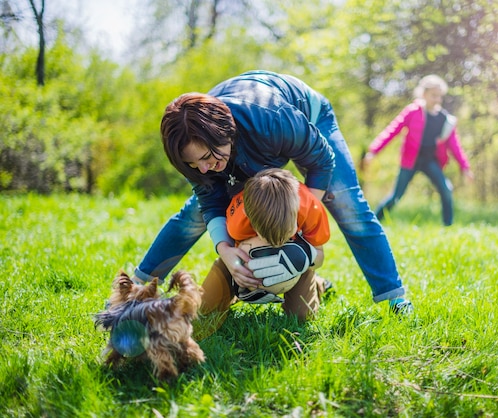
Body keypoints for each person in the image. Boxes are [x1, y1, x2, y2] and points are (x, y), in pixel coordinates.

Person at [134, 70, 413, 314]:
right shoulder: (192, 146)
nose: (205, 169)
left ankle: (394, 297)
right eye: (194, 164)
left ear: (224, 132)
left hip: (308, 120)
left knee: (347, 203)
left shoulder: (272, 118)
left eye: (207, 157)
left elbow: (322, 160)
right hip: (247, 137)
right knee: (194, 214)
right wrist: (226, 251)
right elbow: (210, 201)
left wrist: (299, 225)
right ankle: (137, 288)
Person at [199, 168, 330, 328]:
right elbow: (231, 254)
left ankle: (318, 284)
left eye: (287, 235)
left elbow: (320, 257)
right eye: (268, 239)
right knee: (202, 308)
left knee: (303, 318)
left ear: (297, 213)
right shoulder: (237, 221)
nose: (276, 245)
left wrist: (301, 256)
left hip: (297, 264)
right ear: (249, 218)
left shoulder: (311, 208)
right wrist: (240, 274)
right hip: (246, 257)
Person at [363, 74, 473, 226]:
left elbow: (455, 146)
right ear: (424, 94)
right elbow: (393, 129)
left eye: (439, 96)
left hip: (430, 162)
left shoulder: (445, 120)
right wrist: (374, 151)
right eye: (433, 95)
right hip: (410, 161)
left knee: (446, 189)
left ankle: (448, 226)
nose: (437, 100)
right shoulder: (413, 112)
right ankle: (372, 223)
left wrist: (465, 167)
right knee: (396, 196)